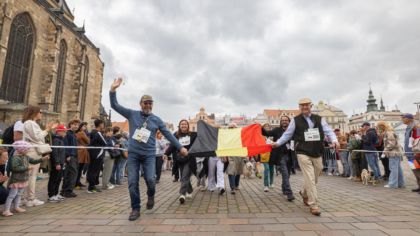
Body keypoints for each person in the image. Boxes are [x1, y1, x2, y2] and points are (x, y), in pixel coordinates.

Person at [110, 77, 187, 221]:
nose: (148, 105)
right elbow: (114, 105)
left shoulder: (156, 120)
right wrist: (113, 90)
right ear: (141, 104)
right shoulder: (132, 114)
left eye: (150, 103)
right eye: (145, 103)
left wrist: (180, 147)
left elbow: (169, 135)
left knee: (151, 180)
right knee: (132, 182)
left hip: (149, 156)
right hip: (133, 155)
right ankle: (135, 208)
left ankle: (151, 195)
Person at [273, 98, 339, 216]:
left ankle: (304, 193)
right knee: (309, 176)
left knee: (316, 174)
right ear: (299, 107)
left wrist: (335, 140)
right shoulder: (295, 120)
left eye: (306, 105)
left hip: (317, 151)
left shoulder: (319, 119)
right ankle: (313, 204)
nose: (304, 107)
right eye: (302, 105)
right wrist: (277, 143)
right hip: (302, 151)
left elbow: (329, 131)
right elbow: (287, 134)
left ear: (310, 106)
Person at [22, 106, 57, 207]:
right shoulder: (30, 123)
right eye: (40, 112)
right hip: (32, 151)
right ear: (34, 113)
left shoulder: (30, 123)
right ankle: (30, 199)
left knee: (30, 176)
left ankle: (25, 197)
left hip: (32, 150)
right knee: (32, 176)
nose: (41, 114)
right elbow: (37, 137)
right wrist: (47, 129)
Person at [3, 141, 49, 216]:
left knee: (19, 194)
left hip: (23, 179)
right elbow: (15, 168)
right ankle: (6, 210)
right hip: (16, 180)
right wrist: (26, 168)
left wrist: (42, 159)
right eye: (27, 149)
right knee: (12, 195)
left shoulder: (26, 157)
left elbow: (33, 161)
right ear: (22, 150)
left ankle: (16, 207)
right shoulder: (15, 158)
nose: (28, 150)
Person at [164, 119, 197, 204]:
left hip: (190, 159)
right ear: (179, 126)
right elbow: (172, 145)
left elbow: (200, 141)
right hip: (180, 159)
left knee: (185, 176)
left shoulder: (193, 134)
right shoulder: (176, 135)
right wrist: (166, 153)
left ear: (188, 125)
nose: (183, 125)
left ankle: (182, 194)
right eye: (182, 124)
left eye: (185, 124)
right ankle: (189, 190)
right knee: (183, 176)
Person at [376, 121, 405, 188]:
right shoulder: (390, 132)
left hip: (393, 153)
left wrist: (384, 151)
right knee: (398, 169)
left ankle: (393, 184)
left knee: (393, 168)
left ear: (381, 127)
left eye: (378, 127)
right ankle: (400, 183)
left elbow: (391, 144)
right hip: (396, 152)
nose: (377, 129)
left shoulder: (388, 133)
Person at [87, 119, 107, 193]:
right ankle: (91, 187)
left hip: (93, 154)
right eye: (103, 124)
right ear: (100, 124)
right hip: (97, 154)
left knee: (92, 170)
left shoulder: (93, 132)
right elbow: (105, 143)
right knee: (94, 171)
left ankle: (92, 186)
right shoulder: (98, 133)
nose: (103, 125)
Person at [47, 124, 67, 202]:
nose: (65, 133)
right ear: (59, 131)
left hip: (61, 162)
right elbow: (55, 153)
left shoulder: (61, 140)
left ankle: (56, 193)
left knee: (58, 179)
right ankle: (51, 195)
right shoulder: (56, 140)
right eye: (64, 132)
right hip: (57, 163)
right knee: (54, 179)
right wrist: (57, 163)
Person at [401, 113, 420, 193]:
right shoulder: (409, 126)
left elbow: (418, 137)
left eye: (403, 118)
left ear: (409, 118)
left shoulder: (416, 126)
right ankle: (419, 186)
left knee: (418, 170)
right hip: (409, 154)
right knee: (415, 170)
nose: (402, 119)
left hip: (415, 153)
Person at [61, 120, 80, 198]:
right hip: (70, 156)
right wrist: (67, 155)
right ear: (70, 125)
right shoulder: (68, 133)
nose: (76, 126)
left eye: (77, 125)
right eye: (74, 125)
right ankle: (67, 191)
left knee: (71, 174)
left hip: (74, 156)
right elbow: (66, 145)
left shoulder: (73, 134)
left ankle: (65, 190)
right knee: (72, 173)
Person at [225, 123, 244, 195]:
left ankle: (236, 185)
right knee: (231, 170)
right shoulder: (226, 136)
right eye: (230, 128)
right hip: (230, 155)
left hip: (239, 154)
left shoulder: (240, 135)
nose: (232, 129)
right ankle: (232, 187)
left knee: (238, 170)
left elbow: (244, 144)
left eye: (233, 128)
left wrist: (244, 155)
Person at [75, 122, 90, 189]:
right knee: (79, 169)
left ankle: (78, 182)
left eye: (85, 126)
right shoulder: (81, 133)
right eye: (84, 126)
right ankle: (76, 183)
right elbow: (88, 141)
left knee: (79, 169)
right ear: (80, 127)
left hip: (79, 151)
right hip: (82, 152)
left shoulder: (76, 133)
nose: (85, 128)